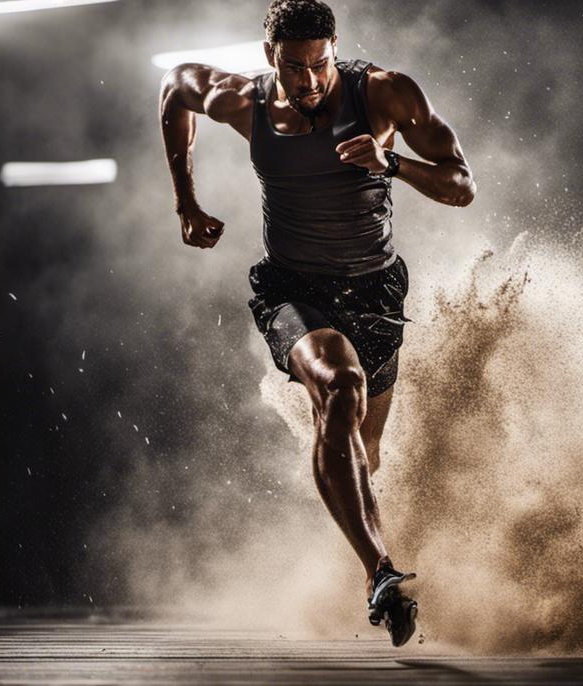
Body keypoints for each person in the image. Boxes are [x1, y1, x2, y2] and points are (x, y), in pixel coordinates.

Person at [157, 0, 476, 647]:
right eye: (292, 68)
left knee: (368, 447)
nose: (306, 82)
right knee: (340, 389)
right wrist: (186, 200)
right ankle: (380, 573)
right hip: (292, 290)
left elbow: (461, 184)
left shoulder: (385, 95)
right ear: (269, 57)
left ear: (337, 50)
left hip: (378, 291)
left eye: (319, 66)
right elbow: (174, 90)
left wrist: (391, 163)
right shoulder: (245, 102)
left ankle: (368, 536)